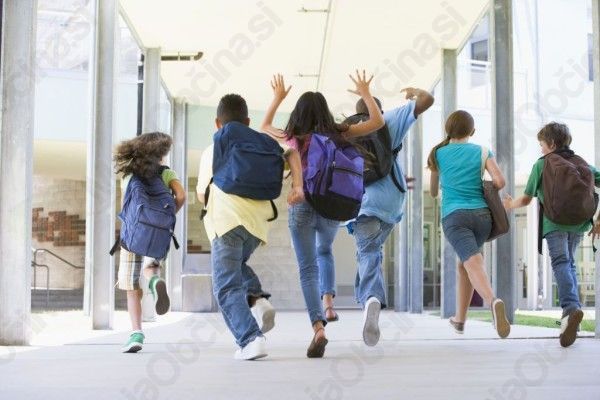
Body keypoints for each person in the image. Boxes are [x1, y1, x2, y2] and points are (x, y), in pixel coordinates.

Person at [260, 71, 384, 357]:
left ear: (299, 114)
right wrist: (366, 93)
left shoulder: (294, 137)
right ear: (325, 112)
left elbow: (265, 126)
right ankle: (329, 302)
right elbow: (377, 122)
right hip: (331, 205)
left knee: (307, 269)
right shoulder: (339, 133)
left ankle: (318, 328)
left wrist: (277, 98)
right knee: (324, 250)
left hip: (302, 204)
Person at [197, 93, 304, 360]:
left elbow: (201, 194)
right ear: (247, 121)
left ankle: (250, 340)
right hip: (256, 227)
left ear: (217, 123)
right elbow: (292, 153)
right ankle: (257, 298)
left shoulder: (213, 148)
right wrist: (298, 186)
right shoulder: (264, 144)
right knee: (237, 267)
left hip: (227, 223)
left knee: (225, 286)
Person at [347, 87, 433, 346]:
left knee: (368, 252)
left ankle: (371, 298)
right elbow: (427, 100)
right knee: (370, 252)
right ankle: (367, 299)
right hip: (391, 202)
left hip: (360, 202)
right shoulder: (389, 120)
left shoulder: (346, 129)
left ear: (355, 113)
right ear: (379, 110)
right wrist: (414, 92)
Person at [504, 122, 600, 347]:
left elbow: (525, 199)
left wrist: (509, 205)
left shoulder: (542, 164)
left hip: (554, 223)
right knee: (569, 264)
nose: (541, 149)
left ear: (552, 144)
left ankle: (571, 309)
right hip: (579, 223)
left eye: (541, 144)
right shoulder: (582, 164)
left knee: (561, 263)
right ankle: (571, 316)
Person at [428, 110, 510, 339]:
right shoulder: (482, 151)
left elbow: (433, 192)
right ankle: (460, 320)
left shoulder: (438, 153)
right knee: (465, 265)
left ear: (448, 129)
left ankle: (493, 302)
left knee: (472, 262)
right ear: (472, 131)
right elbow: (500, 181)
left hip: (455, 217)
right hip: (482, 217)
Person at [114, 132, 187, 353]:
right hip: (158, 232)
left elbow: (127, 205)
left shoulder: (129, 174)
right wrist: (166, 218)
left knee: (131, 287)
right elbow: (181, 196)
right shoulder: (167, 173)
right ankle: (154, 281)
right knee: (151, 266)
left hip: (131, 235)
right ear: (160, 154)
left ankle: (136, 334)